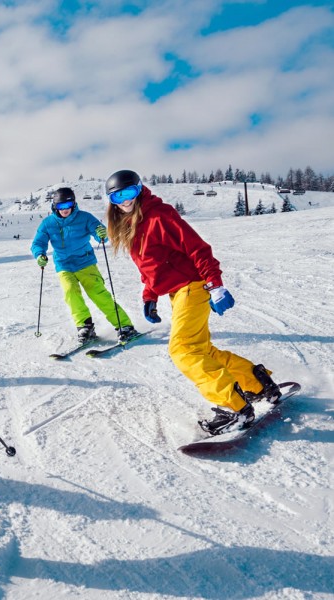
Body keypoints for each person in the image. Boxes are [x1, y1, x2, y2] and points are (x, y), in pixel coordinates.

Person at [104, 169, 281, 435]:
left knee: (183, 349)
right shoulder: (131, 225)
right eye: (118, 197)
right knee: (201, 350)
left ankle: (235, 407)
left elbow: (197, 248)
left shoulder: (159, 215)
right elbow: (150, 266)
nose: (126, 201)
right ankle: (258, 384)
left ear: (140, 189)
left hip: (192, 286)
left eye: (130, 193)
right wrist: (150, 296)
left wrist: (215, 285)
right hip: (179, 291)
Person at [31, 187, 137, 344]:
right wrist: (40, 254)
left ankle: (124, 326)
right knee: (70, 292)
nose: (65, 210)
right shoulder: (48, 223)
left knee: (98, 293)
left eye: (68, 206)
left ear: (74, 204)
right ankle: (85, 327)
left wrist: (101, 234)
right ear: (54, 206)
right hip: (64, 265)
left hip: (85, 262)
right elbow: (38, 242)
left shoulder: (84, 217)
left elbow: (99, 231)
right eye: (61, 207)